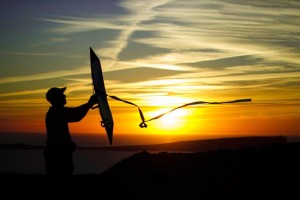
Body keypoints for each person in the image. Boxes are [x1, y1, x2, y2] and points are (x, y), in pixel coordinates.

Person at [44, 87, 97, 176]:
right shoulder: (55, 113)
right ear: (57, 98)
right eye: (61, 95)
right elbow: (76, 116)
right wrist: (89, 103)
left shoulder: (58, 111)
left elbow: (75, 111)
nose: (64, 96)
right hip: (57, 157)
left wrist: (89, 103)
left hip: (58, 155)